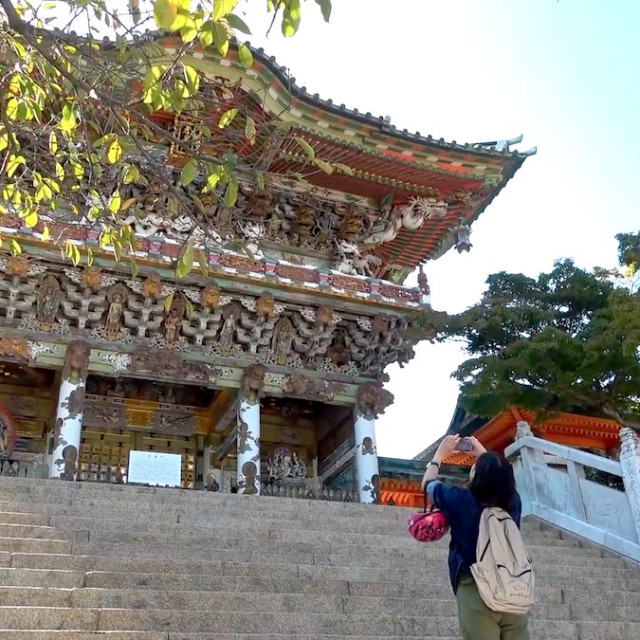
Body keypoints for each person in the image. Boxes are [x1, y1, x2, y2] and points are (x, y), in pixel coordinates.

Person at [421, 435, 529, 640]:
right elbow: (500, 477)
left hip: (476, 589)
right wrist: (485, 454)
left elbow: (427, 485)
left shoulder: (461, 501)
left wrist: (438, 456)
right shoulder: (513, 502)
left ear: (476, 476)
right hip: (514, 590)